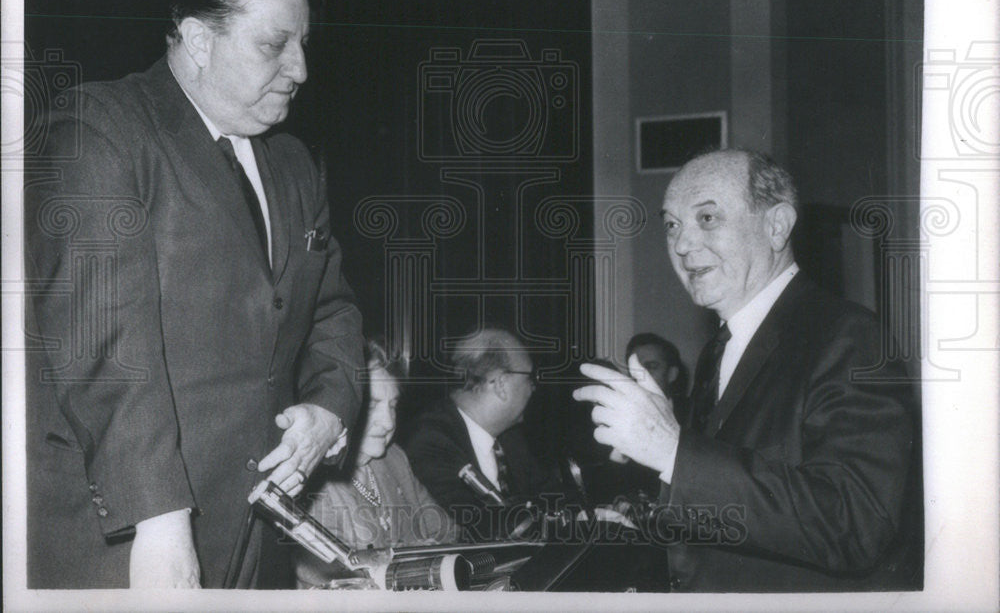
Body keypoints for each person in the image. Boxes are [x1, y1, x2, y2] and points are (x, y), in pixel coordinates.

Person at [24, 0, 364, 589]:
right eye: (275, 45)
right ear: (200, 40)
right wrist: (157, 520)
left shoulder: (293, 163)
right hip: (131, 539)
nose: (301, 67)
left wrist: (330, 408)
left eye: (303, 43)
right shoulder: (97, 128)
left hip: (257, 535)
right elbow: (104, 347)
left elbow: (331, 309)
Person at [574, 149, 920, 591]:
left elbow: (853, 522)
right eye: (672, 224)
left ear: (776, 226)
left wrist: (671, 449)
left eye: (707, 219)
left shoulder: (849, 337)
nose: (681, 245)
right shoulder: (717, 351)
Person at [295, 336, 460, 588]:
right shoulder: (312, 475)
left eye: (393, 405)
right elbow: (345, 576)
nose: (389, 423)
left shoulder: (393, 459)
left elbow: (447, 532)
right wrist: (417, 554)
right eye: (372, 406)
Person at [404, 328, 564, 542]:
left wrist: (584, 517)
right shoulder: (430, 441)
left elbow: (554, 497)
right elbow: (472, 526)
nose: (533, 387)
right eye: (529, 377)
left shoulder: (510, 438)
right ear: (500, 384)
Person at [625, 332, 688, 415]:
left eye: (651, 367)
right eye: (634, 369)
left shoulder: (693, 416)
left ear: (672, 374)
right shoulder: (621, 414)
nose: (641, 375)